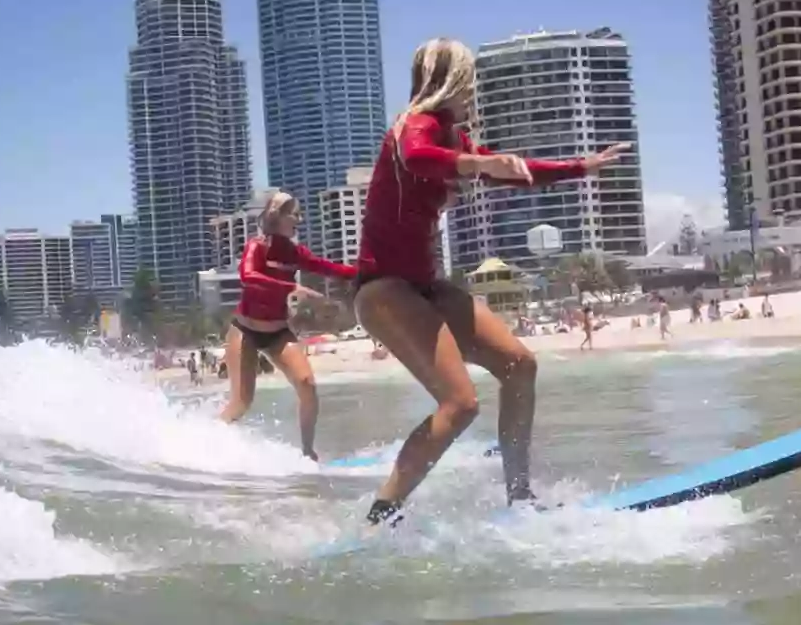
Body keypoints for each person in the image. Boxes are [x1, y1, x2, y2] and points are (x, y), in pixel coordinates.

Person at [352, 37, 630, 526]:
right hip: (384, 289)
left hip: (426, 285)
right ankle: (382, 515)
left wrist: (580, 167)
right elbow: (417, 156)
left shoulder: (454, 138)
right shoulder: (413, 126)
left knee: (520, 364)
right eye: (470, 78)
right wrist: (479, 164)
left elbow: (514, 172)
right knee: (460, 404)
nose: (474, 89)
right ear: (454, 79)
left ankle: (520, 497)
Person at [219, 191, 357, 461]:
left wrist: (368, 272)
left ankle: (307, 452)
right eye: (294, 214)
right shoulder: (257, 246)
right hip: (245, 331)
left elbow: (329, 268)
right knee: (241, 403)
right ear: (277, 216)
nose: (299, 219)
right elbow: (248, 277)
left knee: (307, 383)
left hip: (278, 332)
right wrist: (293, 287)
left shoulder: (294, 252)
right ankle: (210, 442)